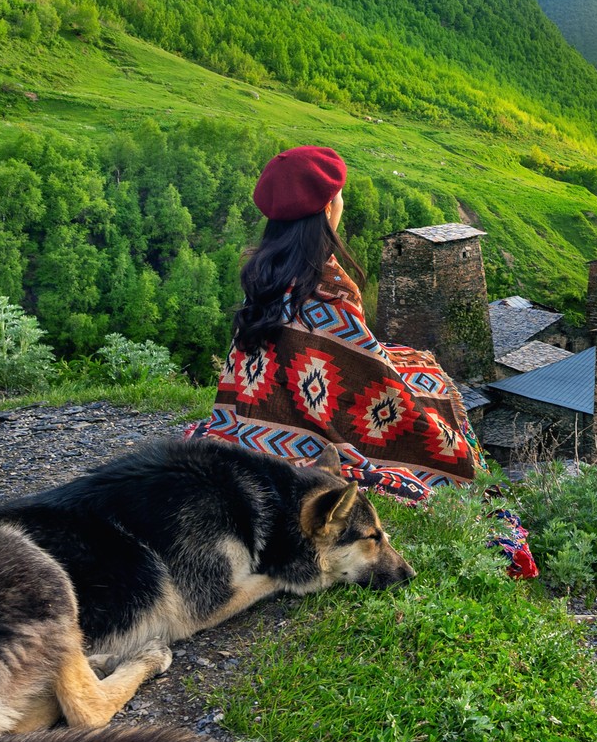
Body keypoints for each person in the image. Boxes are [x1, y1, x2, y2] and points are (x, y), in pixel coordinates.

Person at [191, 145, 535, 577]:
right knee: (437, 412)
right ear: (327, 209)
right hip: (316, 435)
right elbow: (363, 378)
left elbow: (286, 365)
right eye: (339, 197)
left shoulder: (263, 277)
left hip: (255, 424)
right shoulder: (328, 288)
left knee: (415, 364)